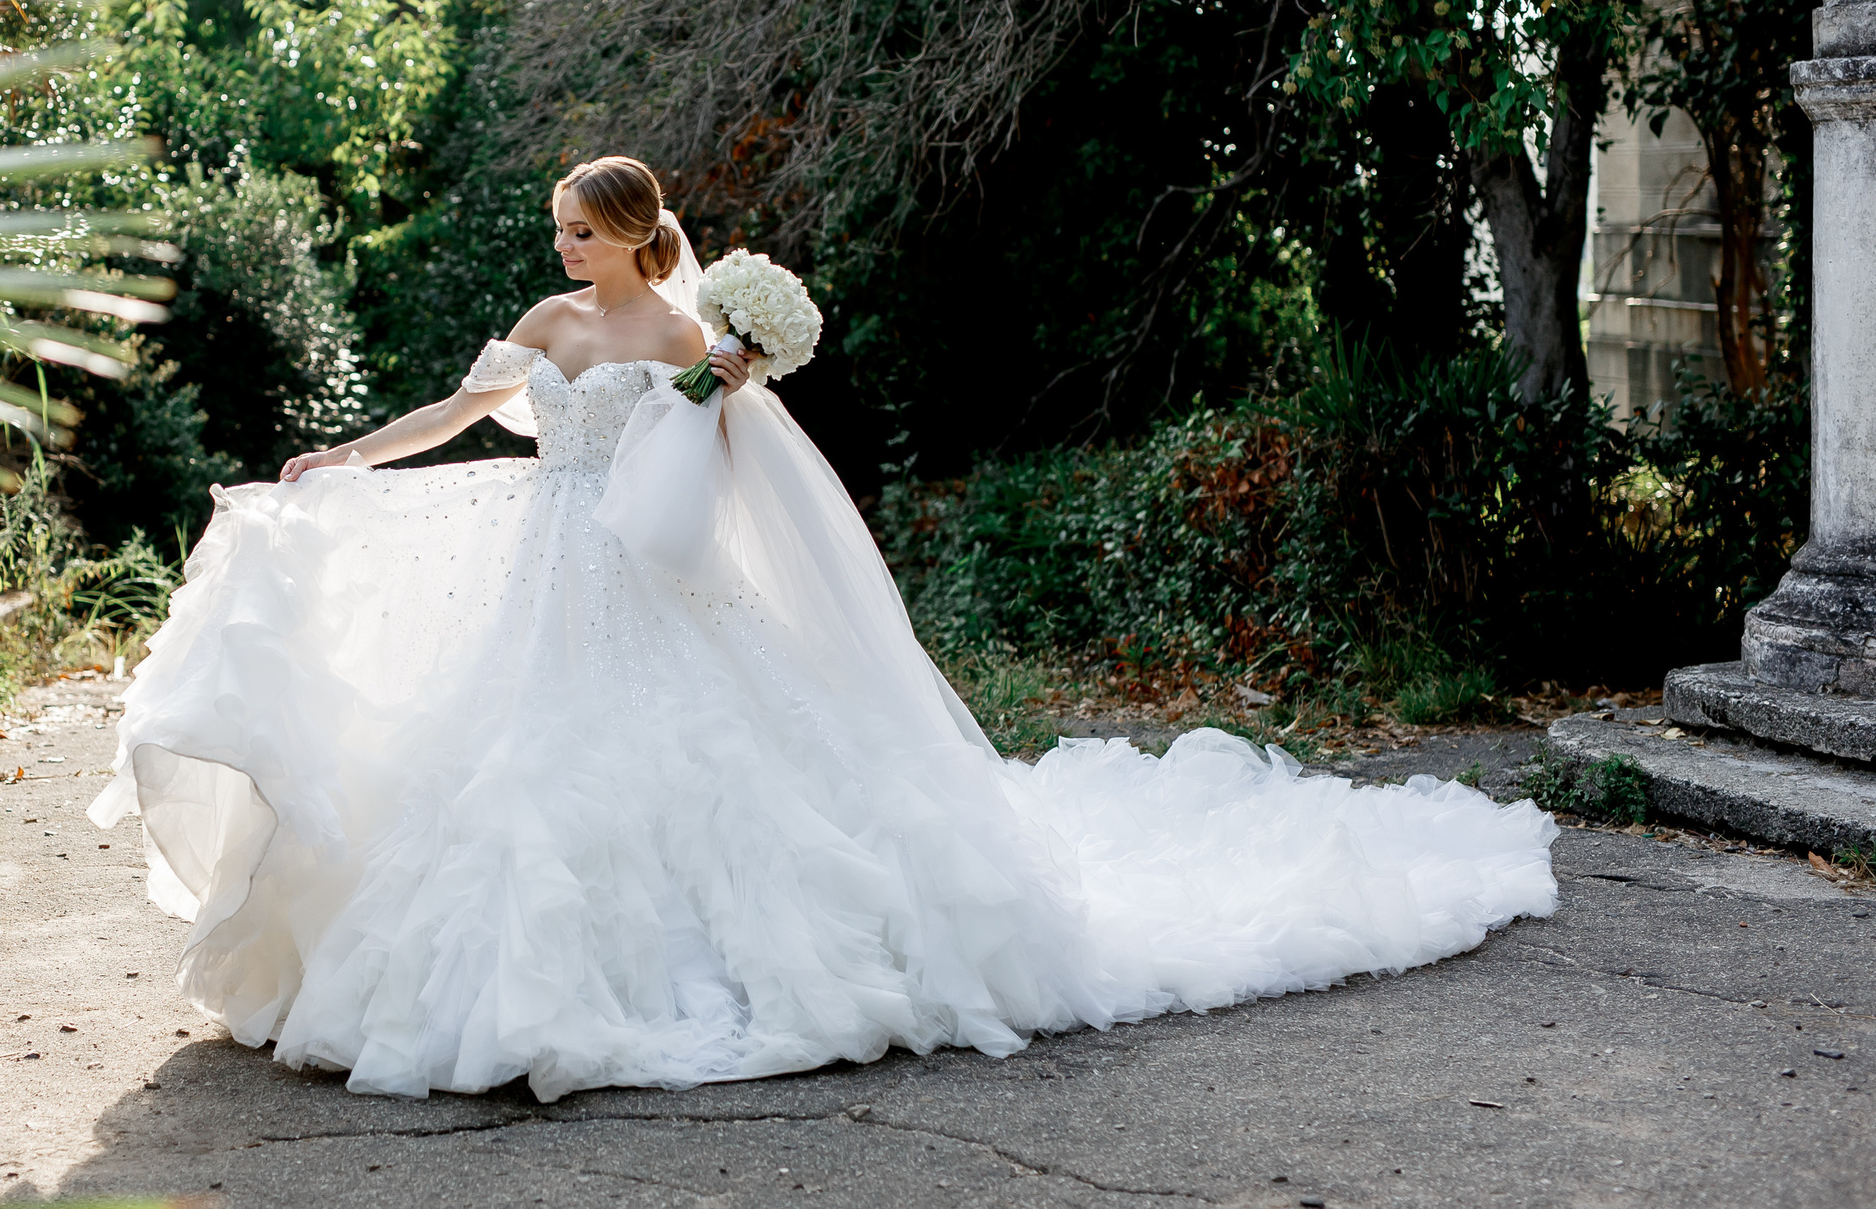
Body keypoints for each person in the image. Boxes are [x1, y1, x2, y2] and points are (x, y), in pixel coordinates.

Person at [90, 155, 1557, 1102]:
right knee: (504, 768)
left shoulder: (681, 337)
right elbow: (462, 412)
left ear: (630, 235)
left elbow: (726, 470)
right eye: (558, 232)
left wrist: (717, 382)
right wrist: (349, 454)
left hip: (641, 580)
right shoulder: (543, 325)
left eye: (581, 231)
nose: (565, 248)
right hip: (546, 578)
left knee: (696, 767)